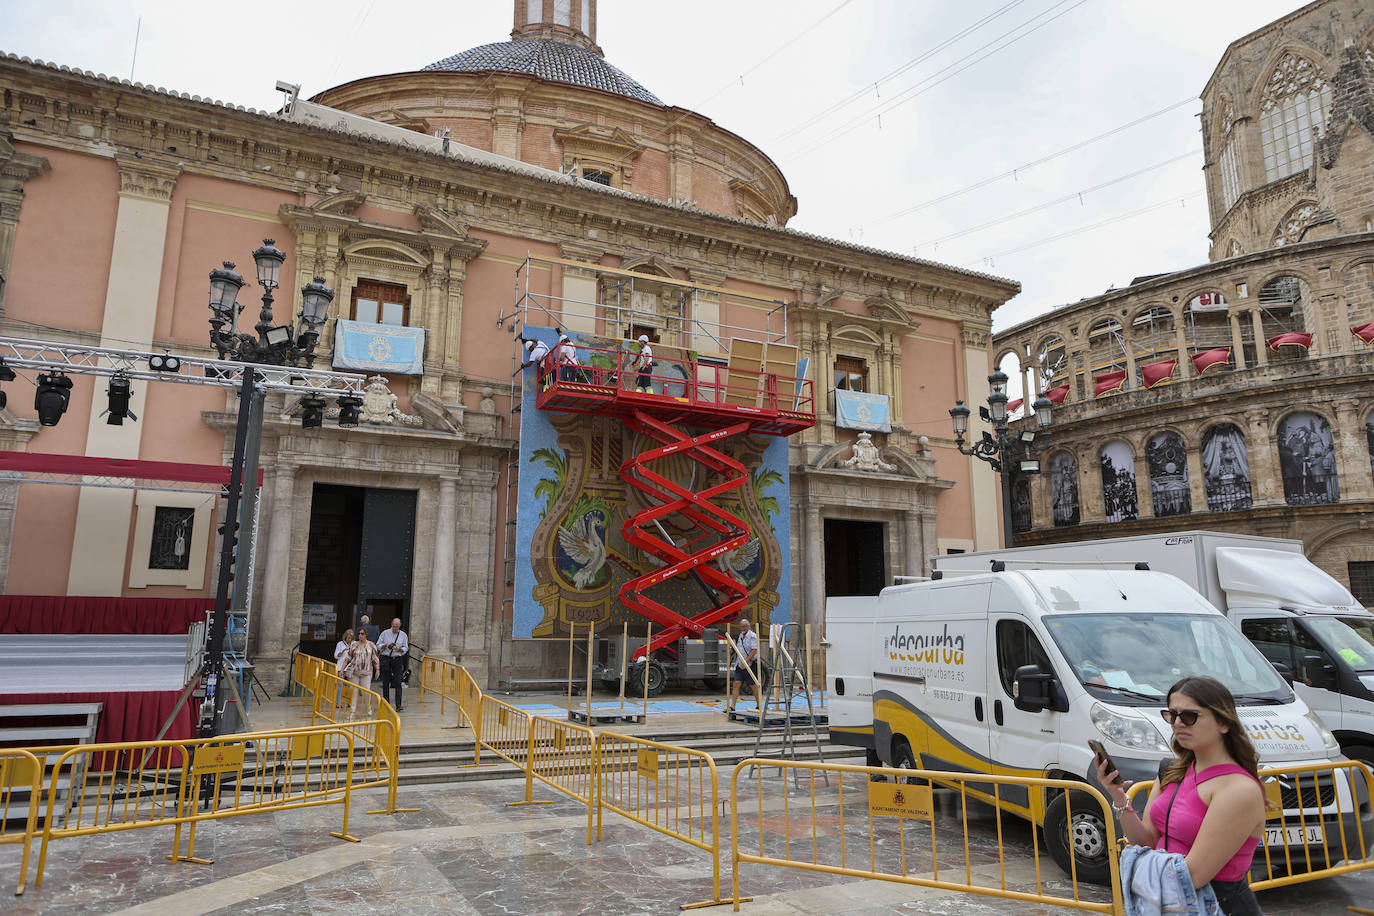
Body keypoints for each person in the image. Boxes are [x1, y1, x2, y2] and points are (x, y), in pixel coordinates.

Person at [1095, 676, 1267, 916]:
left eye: (1189, 716)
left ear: (1224, 723)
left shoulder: (1239, 790)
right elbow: (1146, 843)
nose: (1177, 724)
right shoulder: (1171, 772)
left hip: (1216, 906)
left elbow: (1193, 875)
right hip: (1170, 903)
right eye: (1172, 715)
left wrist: (1135, 866)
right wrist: (1119, 797)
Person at [728, 617, 764, 714]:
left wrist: (746, 662)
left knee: (753, 685)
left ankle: (758, 705)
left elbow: (754, 650)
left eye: (744, 626)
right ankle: (732, 706)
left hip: (750, 664)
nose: (743, 628)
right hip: (739, 664)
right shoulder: (740, 636)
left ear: (748, 626)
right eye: (741, 626)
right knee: (736, 684)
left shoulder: (752, 636)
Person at [343, 627, 380, 716]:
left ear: (366, 634)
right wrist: (342, 669)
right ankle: (352, 711)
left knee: (366, 692)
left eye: (362, 633)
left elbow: (375, 658)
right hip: (354, 671)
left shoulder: (371, 645)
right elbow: (348, 657)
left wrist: (377, 670)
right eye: (359, 634)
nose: (360, 635)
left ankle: (368, 709)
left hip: (367, 672)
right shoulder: (354, 645)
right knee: (353, 692)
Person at [376, 617, 410, 711]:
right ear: (391, 625)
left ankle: (398, 704)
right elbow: (377, 645)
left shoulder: (403, 635)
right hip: (386, 658)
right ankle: (386, 703)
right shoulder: (385, 633)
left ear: (400, 626)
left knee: (398, 681)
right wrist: (385, 645)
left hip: (397, 659)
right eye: (394, 626)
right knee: (386, 682)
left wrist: (398, 649)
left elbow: (406, 647)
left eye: (397, 627)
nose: (395, 628)